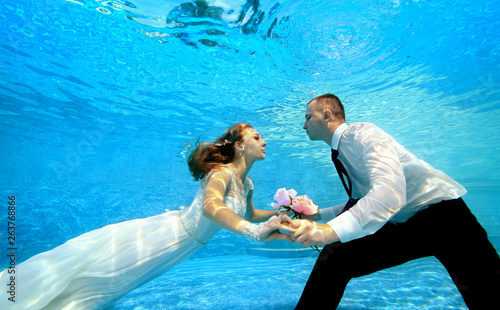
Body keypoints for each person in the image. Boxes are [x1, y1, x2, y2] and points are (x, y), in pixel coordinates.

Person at [0, 123, 294, 309]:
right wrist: (253, 232)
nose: (264, 141)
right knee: (103, 278)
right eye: (257, 137)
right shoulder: (221, 173)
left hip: (184, 246)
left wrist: (282, 213)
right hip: (167, 236)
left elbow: (250, 212)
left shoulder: (247, 183)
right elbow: (211, 207)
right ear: (240, 146)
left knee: (108, 284)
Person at [291, 94, 500, 309]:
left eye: (308, 117)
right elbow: (361, 201)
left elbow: (389, 192)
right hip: (408, 224)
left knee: (489, 295)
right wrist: (319, 215)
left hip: (447, 220)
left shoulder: (363, 134)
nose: (304, 125)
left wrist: (328, 230)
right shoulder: (341, 150)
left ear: (327, 115)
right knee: (335, 257)